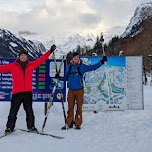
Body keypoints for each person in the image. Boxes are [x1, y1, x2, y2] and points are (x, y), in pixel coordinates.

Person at [0, 44, 56, 133]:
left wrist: (50, 51)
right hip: (16, 93)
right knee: (13, 112)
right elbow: (1, 69)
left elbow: (41, 60)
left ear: (27, 57)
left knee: (29, 111)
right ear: (19, 56)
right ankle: (9, 128)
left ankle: (31, 127)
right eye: (22, 55)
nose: (23, 57)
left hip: (28, 93)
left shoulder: (31, 65)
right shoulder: (12, 66)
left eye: (25, 56)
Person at [56, 52, 107, 130]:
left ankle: (77, 123)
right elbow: (66, 78)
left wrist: (101, 62)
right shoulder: (69, 68)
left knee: (79, 107)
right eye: (74, 57)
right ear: (72, 58)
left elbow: (93, 67)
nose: (76, 58)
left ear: (79, 58)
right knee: (70, 107)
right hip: (71, 90)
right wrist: (59, 78)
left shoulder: (82, 67)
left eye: (77, 57)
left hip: (79, 90)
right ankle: (69, 123)